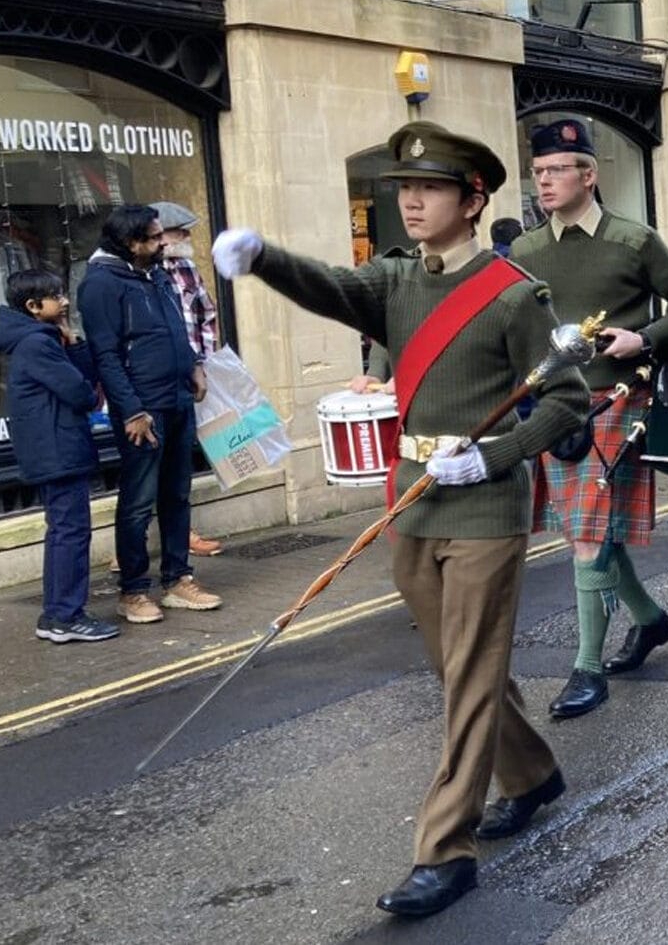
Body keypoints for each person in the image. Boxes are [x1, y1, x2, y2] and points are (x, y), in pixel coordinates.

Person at [211, 121, 586, 918]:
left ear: (473, 200)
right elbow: (329, 287)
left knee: (470, 676)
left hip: (482, 505)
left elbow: (567, 399)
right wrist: (264, 258)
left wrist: (496, 455)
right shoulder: (394, 281)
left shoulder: (515, 293)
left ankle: (444, 849)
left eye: (430, 189)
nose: (411, 201)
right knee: (455, 667)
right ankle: (532, 772)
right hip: (413, 499)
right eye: (404, 189)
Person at [511, 119, 668, 720]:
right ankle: (650, 620)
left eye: (556, 170)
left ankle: (587, 669)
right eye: (538, 172)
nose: (544, 182)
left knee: (589, 534)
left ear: (589, 175)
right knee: (586, 530)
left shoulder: (633, 239)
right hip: (558, 405)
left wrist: (642, 337)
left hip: (619, 397)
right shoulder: (525, 251)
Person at [78, 205, 222, 625]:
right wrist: (132, 411)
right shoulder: (101, 284)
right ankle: (133, 591)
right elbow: (105, 356)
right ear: (131, 242)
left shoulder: (154, 273)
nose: (164, 243)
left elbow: (177, 327)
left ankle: (178, 579)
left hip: (176, 398)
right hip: (143, 408)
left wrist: (193, 365)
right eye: (156, 237)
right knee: (138, 502)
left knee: (177, 494)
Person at [0, 269, 118, 644]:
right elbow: (83, 394)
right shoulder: (37, 344)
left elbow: (81, 383)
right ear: (33, 306)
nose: (64, 301)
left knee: (63, 531)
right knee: (71, 533)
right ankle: (66, 616)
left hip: (52, 448)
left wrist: (73, 340)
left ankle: (55, 615)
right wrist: (80, 369)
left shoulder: (38, 339)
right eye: (56, 296)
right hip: (57, 450)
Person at [148, 201, 226, 558]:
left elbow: (206, 315)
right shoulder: (141, 273)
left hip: (188, 377)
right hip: (152, 382)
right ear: (160, 235)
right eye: (180, 232)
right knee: (148, 463)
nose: (186, 238)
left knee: (179, 465)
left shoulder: (187, 268)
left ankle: (182, 535)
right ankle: (131, 544)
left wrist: (204, 362)